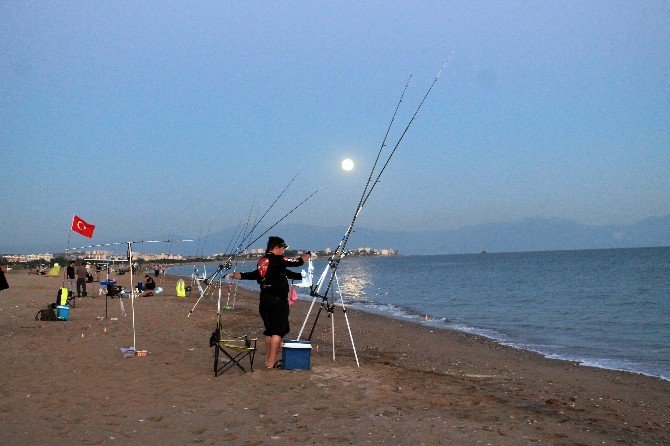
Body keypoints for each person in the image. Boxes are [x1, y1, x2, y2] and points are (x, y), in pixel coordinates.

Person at [230, 236, 310, 368]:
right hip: (277, 301)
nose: (284, 250)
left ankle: (268, 361)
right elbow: (297, 262)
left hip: (265, 300)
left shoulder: (263, 260)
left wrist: (236, 275)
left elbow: (256, 274)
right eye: (283, 248)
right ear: (277, 247)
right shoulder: (278, 259)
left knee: (269, 331)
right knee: (278, 331)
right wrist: (307, 256)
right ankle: (272, 361)